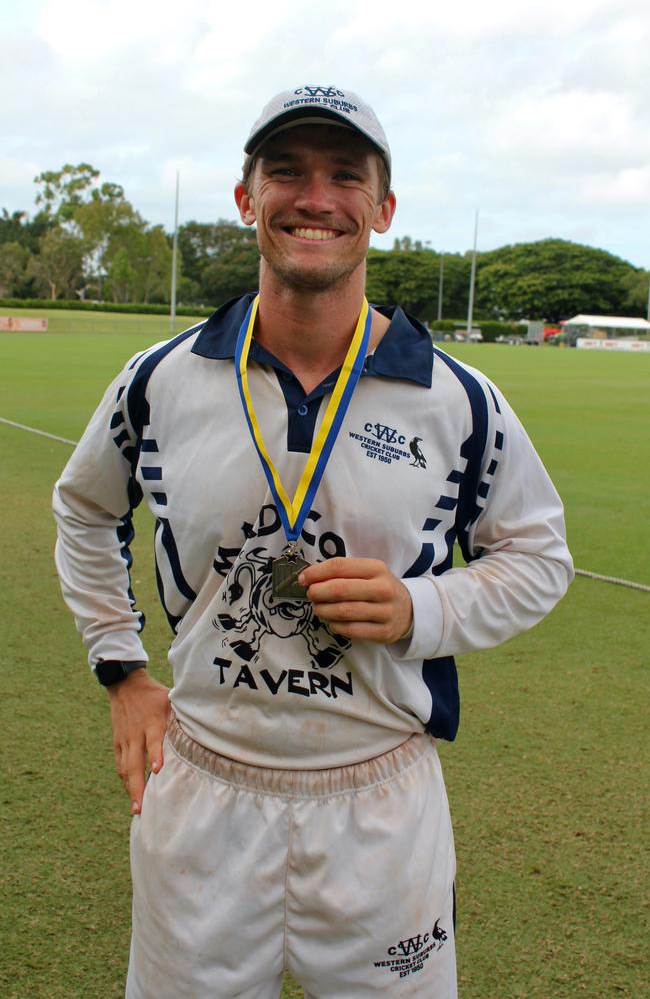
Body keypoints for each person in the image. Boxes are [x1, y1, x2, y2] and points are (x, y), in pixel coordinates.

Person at [53, 84, 573, 999]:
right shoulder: (162, 380)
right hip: (206, 784)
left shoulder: (459, 400)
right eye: (286, 172)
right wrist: (121, 669)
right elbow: (85, 509)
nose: (316, 198)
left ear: (384, 207)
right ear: (248, 197)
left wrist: (426, 604)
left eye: (346, 176)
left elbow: (540, 558)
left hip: (380, 800)